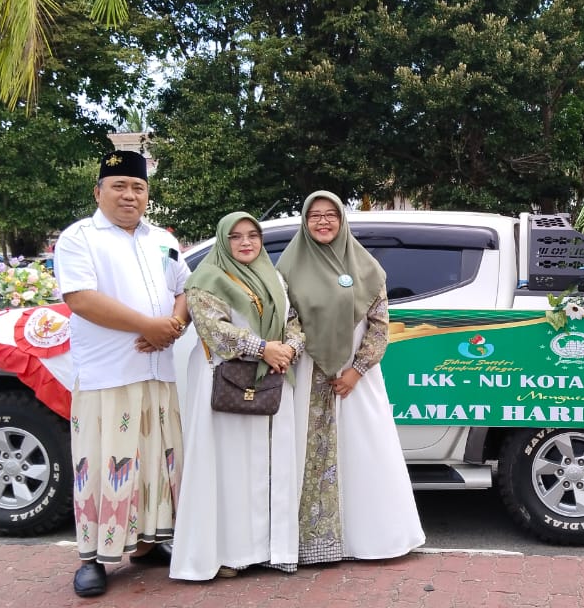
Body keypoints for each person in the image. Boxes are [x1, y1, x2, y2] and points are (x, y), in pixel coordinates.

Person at [53, 150, 190, 598]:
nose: (129, 195)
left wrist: (172, 327)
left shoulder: (161, 240)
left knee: (157, 462)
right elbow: (82, 299)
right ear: (98, 191)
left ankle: (150, 543)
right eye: (119, 186)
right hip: (108, 377)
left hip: (157, 371)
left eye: (138, 187)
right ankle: (93, 557)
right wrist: (148, 326)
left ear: (147, 195)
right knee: (103, 465)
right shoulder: (80, 238)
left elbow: (186, 289)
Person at [277, 191, 424, 564]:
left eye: (331, 215)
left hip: (357, 380)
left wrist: (355, 372)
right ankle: (310, 544)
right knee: (304, 457)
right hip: (307, 373)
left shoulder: (367, 268)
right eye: (315, 216)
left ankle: (371, 540)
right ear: (305, 222)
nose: (323, 221)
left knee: (363, 454)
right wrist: (305, 354)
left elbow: (379, 328)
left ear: (343, 220)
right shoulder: (287, 269)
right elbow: (287, 321)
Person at [171, 212, 305, 581]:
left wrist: (289, 349)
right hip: (225, 381)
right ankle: (228, 553)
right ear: (222, 241)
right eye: (235, 236)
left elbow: (295, 321)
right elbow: (213, 329)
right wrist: (264, 348)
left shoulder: (274, 277)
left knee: (268, 464)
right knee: (229, 467)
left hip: (273, 376)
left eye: (252, 235)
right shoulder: (206, 279)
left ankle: (269, 549)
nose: (246, 243)